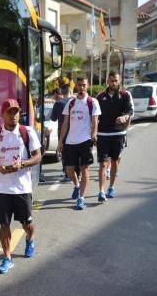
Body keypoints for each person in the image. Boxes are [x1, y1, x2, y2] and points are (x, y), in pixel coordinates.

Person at [0, 98, 42, 274]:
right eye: (9, 112)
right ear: (2, 114)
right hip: (2, 188)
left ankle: (30, 238)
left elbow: (38, 156)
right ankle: (7, 257)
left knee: (27, 223)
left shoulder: (27, 132)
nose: (13, 116)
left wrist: (23, 164)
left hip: (22, 187)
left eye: (16, 112)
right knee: (4, 223)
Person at [57, 77, 100, 210]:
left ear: (87, 86)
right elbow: (65, 123)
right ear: (76, 86)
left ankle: (81, 199)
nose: (81, 88)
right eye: (80, 85)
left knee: (84, 168)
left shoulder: (92, 102)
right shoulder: (70, 103)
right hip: (70, 141)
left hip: (85, 140)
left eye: (84, 85)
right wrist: (60, 141)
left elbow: (95, 121)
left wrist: (93, 135)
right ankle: (76, 184)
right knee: (69, 170)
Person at [95, 71, 134, 200]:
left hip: (118, 133)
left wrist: (125, 117)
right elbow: (95, 116)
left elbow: (129, 110)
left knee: (115, 161)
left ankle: (111, 187)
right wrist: (93, 132)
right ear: (107, 81)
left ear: (119, 81)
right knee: (102, 163)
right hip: (103, 134)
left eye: (116, 80)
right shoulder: (100, 97)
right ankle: (101, 191)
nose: (114, 83)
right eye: (111, 80)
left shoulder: (125, 95)